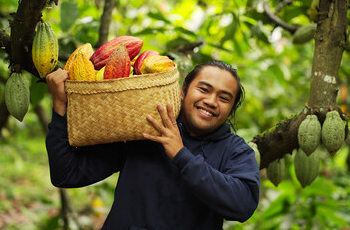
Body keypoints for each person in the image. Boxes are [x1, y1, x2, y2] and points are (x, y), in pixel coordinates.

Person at [45, 60, 260, 230]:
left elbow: (243, 205)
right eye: (204, 89)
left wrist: (181, 154)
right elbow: (67, 173)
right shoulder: (146, 127)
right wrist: (60, 108)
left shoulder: (236, 150)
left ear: (231, 110)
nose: (211, 101)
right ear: (183, 90)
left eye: (224, 98)